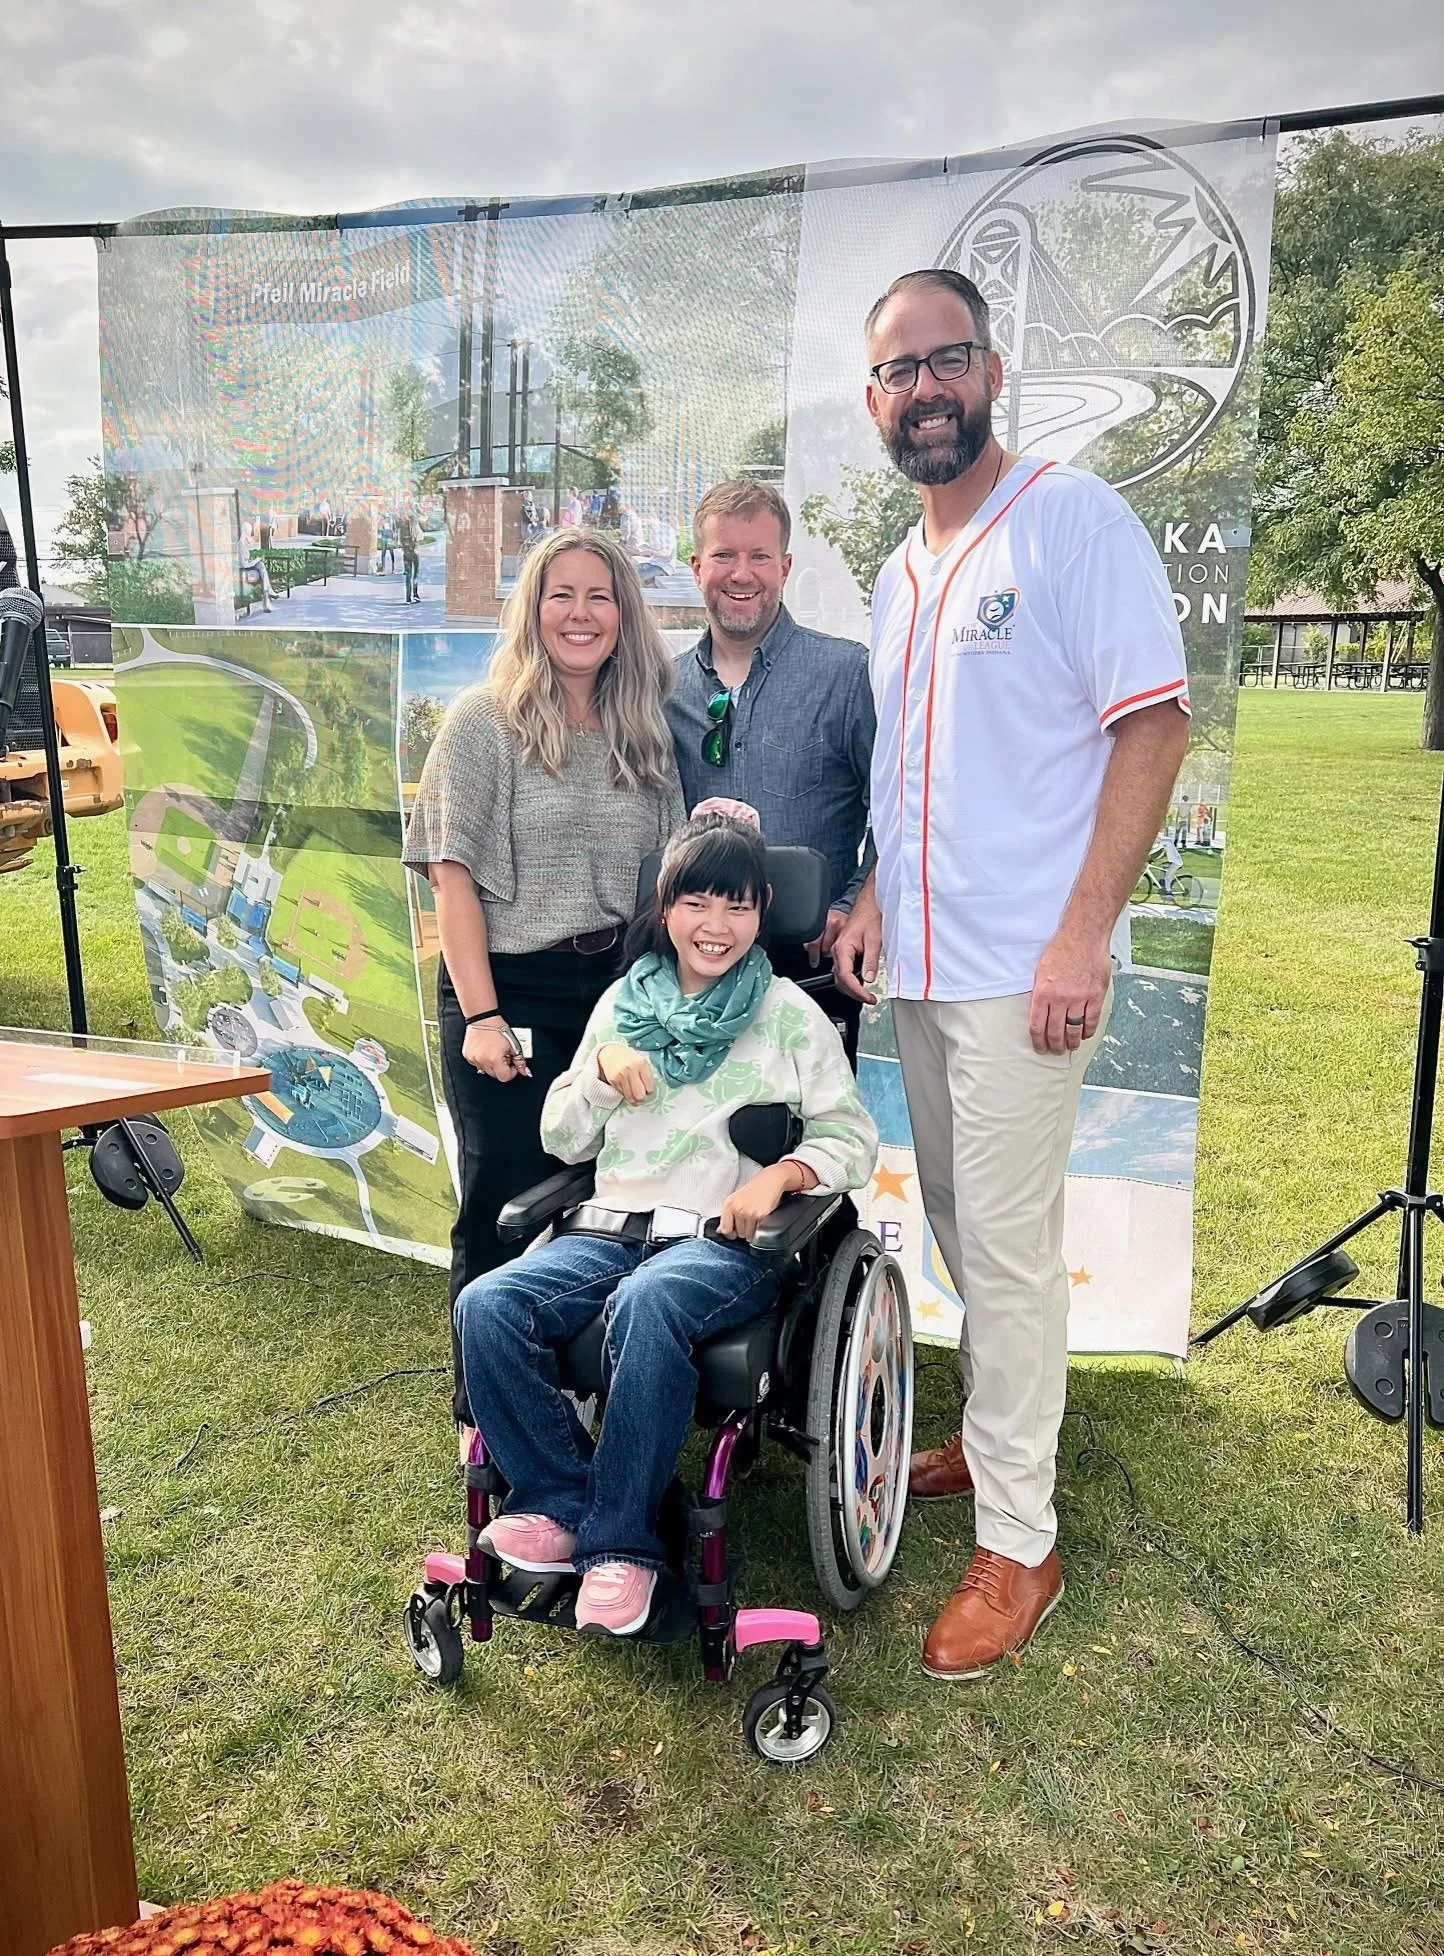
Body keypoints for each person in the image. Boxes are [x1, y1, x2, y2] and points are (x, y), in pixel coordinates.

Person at [832, 267, 1191, 1680]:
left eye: (946, 360)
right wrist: (867, 892)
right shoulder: (899, 570)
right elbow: (898, 769)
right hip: (919, 963)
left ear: (991, 368)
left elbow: (1152, 730)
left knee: (1012, 1254)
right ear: (874, 402)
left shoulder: (1072, 520)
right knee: (967, 1235)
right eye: (897, 371)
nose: (924, 388)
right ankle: (990, 1450)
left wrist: (1082, 932)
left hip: (1019, 968)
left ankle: (1023, 1542)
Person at [455, 815, 878, 1634]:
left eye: (739, 907)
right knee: (487, 1306)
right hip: (606, 1225)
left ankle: (624, 1546)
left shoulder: (791, 1014)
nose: (715, 927)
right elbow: (561, 1138)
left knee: (646, 1303)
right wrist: (603, 1074)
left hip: (721, 1242)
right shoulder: (623, 1002)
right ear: (665, 905)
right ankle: (560, 1499)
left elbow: (851, 1136)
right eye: (696, 903)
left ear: (763, 913)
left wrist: (786, 1176)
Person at [402, 528, 686, 1450]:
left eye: (599, 596)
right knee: (503, 1196)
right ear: (532, 610)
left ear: (623, 615)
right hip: (509, 990)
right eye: (559, 594)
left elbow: (668, 880)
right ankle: (478, 1412)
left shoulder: (643, 731)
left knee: (598, 1193)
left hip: (612, 990)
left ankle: (571, 1385)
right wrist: (482, 1016)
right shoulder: (484, 721)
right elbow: (451, 878)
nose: (579, 614)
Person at [665, 479, 875, 1064]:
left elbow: (900, 807)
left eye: (759, 556)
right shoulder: (662, 689)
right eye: (724, 556)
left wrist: (853, 905)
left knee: (808, 1145)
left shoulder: (846, 674)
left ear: (783, 566)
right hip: (692, 973)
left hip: (806, 969)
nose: (742, 573)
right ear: (696, 567)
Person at [399, 511, 421, 603]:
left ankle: (408, 597)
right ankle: (415, 594)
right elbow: (420, 537)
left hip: (406, 553)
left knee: (408, 574)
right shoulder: (415, 528)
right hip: (415, 552)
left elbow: (400, 541)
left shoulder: (403, 528)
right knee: (415, 574)